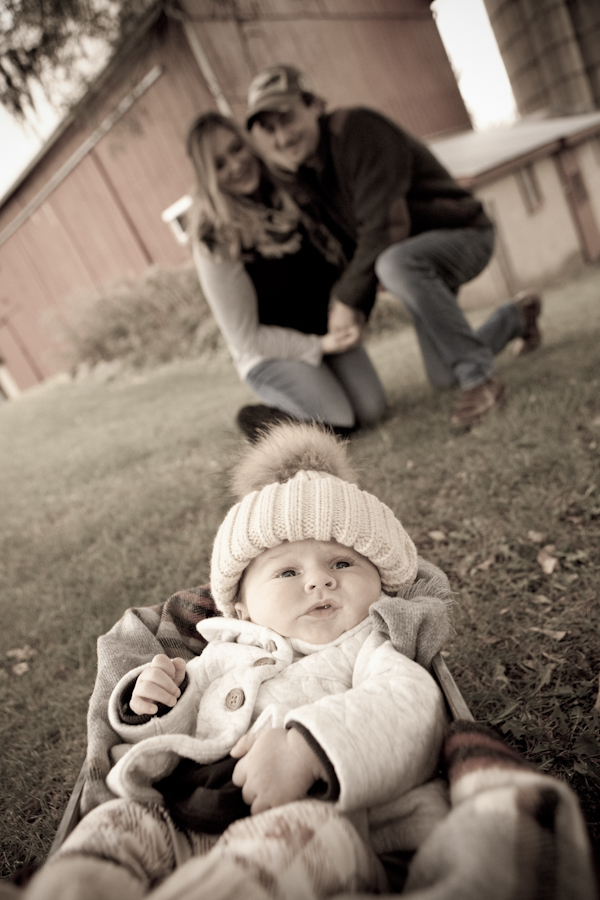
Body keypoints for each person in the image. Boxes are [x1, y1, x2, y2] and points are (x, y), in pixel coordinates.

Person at [26, 422, 453, 900]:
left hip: (309, 818)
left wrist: (308, 750)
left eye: (342, 563)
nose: (318, 581)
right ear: (242, 607)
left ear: (381, 583)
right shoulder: (223, 648)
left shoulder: (370, 645)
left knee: (303, 838)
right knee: (116, 822)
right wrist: (153, 703)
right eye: (288, 571)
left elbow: (411, 707)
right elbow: (178, 732)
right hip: (182, 813)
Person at [245, 65, 543, 430]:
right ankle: (518, 316)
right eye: (269, 129)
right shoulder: (307, 176)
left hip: (464, 233)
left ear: (314, 104)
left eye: (287, 118)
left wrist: (347, 301)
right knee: (443, 374)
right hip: (411, 261)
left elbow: (385, 226)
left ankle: (482, 380)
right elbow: (350, 251)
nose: (282, 136)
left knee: (393, 263)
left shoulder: (358, 130)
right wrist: (355, 309)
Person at [186, 112, 387, 441]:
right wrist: (319, 345)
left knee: (373, 410)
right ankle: (266, 421)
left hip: (323, 332)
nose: (236, 165)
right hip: (270, 354)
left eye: (237, 149)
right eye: (219, 164)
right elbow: (246, 339)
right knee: (336, 428)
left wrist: (351, 307)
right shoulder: (215, 238)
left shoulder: (291, 191)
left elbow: (337, 260)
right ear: (208, 177)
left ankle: (318, 398)